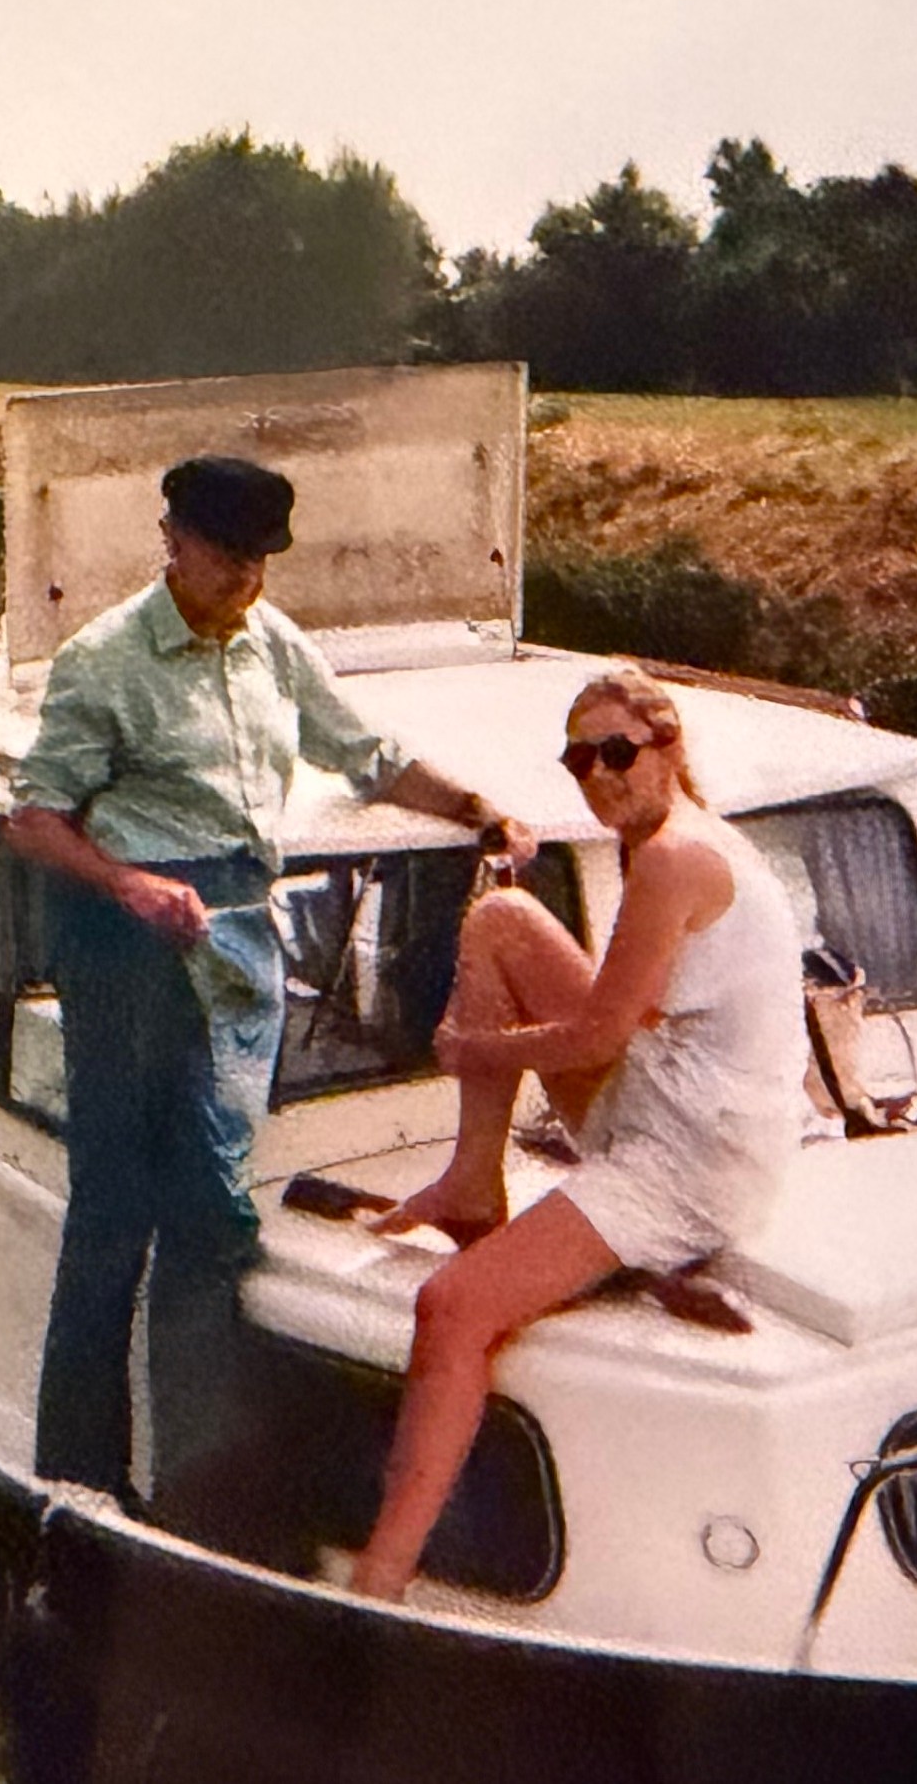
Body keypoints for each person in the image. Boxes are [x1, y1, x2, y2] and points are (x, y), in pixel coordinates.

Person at [6, 454, 532, 1513]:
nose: (246, 578)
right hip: (126, 943)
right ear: (172, 539)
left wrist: (481, 807)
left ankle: (194, 1480)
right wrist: (129, 882)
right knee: (114, 1206)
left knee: (210, 1205)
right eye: (228, 556)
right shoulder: (103, 660)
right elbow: (31, 816)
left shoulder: (272, 643)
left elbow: (367, 755)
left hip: (243, 936)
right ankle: (78, 1473)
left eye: (259, 561)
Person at [350, 666, 806, 1599]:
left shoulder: (677, 856)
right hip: (670, 1099)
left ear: (667, 747)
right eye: (577, 759)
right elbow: (623, 1026)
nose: (597, 775)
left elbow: (599, 1032)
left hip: (690, 1163)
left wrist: (474, 1046)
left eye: (616, 752)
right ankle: (474, 1180)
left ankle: (379, 1577)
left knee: (451, 1307)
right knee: (504, 919)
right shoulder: (667, 843)